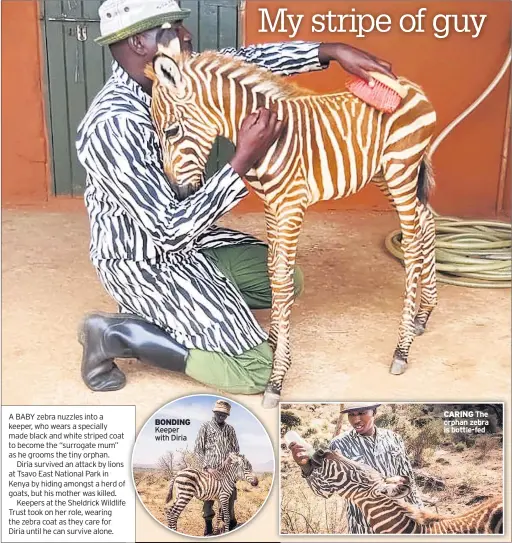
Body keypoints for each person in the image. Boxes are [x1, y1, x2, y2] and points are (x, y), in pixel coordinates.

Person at [76, 0, 395, 396]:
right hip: (145, 257)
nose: (186, 34)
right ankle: (117, 335)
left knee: (283, 281)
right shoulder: (114, 124)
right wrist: (241, 160)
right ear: (140, 42)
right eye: (172, 29)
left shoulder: (179, 75)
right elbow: (167, 230)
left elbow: (244, 61)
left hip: (195, 242)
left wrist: (329, 51)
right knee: (256, 369)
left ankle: (184, 306)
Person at [290, 402, 423, 534]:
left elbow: (408, 480)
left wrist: (421, 514)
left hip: (400, 526)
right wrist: (305, 466)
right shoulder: (339, 445)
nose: (355, 419)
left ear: (374, 412)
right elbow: (324, 491)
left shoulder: (393, 439)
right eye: (351, 414)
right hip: (362, 527)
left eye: (361, 413)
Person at [194, 400, 240, 535]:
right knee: (208, 501)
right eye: (219, 413)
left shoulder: (230, 429)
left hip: (227, 472)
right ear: (214, 412)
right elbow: (198, 450)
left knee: (229, 500)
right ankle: (208, 528)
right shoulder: (205, 427)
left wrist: (229, 459)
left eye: (224, 414)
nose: (221, 416)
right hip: (210, 472)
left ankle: (230, 524)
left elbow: (236, 449)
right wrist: (207, 468)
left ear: (227, 415)